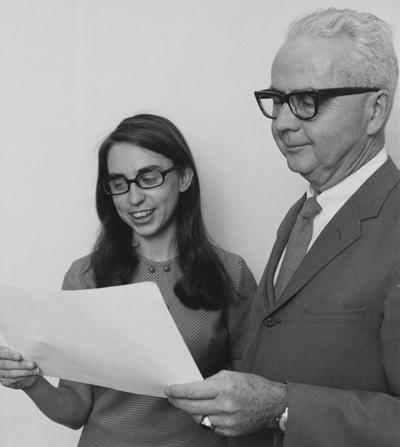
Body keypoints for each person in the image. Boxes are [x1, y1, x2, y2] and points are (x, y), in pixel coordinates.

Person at [165, 8, 400, 447]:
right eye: (278, 100)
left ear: (375, 110)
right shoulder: (300, 214)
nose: (283, 122)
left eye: (307, 100)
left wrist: (282, 406)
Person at [0, 114, 257, 447]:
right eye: (119, 184)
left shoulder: (231, 272)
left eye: (148, 177)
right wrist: (30, 383)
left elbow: (249, 403)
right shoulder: (85, 277)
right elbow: (75, 410)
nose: (133, 198)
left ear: (183, 178)